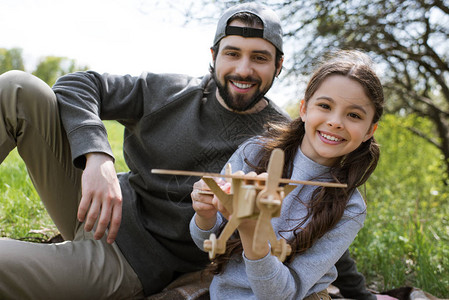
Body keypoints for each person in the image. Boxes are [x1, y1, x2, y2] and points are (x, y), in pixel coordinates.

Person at [0, 2, 389, 300]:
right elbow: (77, 85)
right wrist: (97, 157)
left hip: (130, 261)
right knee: (17, 88)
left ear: (279, 66)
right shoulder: (168, 89)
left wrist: (361, 294)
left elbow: (317, 215)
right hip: (99, 205)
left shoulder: (279, 142)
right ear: (214, 55)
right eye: (233, 53)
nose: (243, 69)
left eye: (259, 58)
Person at [189, 50, 385, 299]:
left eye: (354, 115)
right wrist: (204, 215)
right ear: (304, 109)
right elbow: (207, 241)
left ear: (370, 130)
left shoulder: (351, 207)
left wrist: (252, 234)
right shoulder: (254, 152)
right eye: (325, 106)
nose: (336, 122)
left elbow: (284, 294)